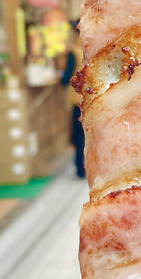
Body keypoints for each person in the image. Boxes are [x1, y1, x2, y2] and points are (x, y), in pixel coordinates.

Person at [61, 24, 85, 178]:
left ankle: (80, 168)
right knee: (85, 135)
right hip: (87, 99)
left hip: (76, 100)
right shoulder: (87, 50)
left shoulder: (74, 52)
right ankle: (85, 167)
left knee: (78, 136)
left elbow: (66, 77)